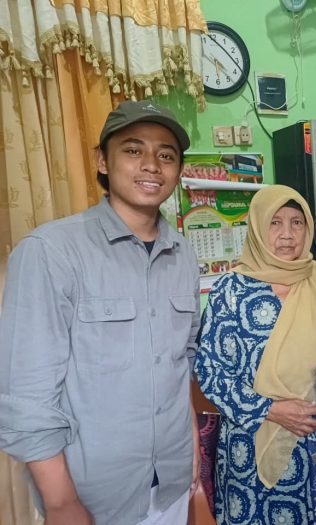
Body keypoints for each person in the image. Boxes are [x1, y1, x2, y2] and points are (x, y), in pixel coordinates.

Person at [0, 100, 201, 525]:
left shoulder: (183, 254)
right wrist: (61, 503)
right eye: (133, 150)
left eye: (166, 155)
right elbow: (28, 395)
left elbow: (179, 363)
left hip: (171, 480)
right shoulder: (51, 251)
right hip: (91, 496)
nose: (151, 165)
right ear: (102, 161)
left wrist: (192, 450)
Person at [195, 185, 316, 524]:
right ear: (258, 228)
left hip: (314, 444)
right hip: (251, 442)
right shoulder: (230, 290)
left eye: (296, 222)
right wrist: (270, 409)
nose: (287, 234)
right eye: (275, 223)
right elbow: (210, 371)